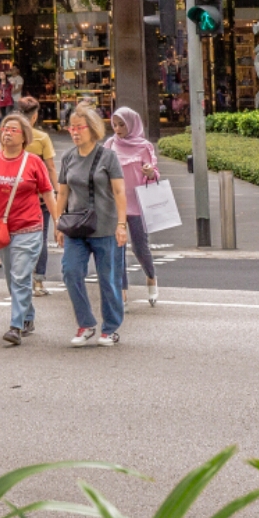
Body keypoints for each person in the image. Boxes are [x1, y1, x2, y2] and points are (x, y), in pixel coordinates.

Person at [0, 114, 54, 346]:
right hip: (2, 229)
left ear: (24, 136)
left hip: (29, 227)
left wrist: (58, 222)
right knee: (12, 278)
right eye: (4, 129)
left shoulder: (33, 162)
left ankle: (15, 326)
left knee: (19, 277)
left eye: (13, 130)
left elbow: (48, 193)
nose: (7, 132)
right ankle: (28, 316)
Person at [53, 104, 127, 347]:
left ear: (92, 129)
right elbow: (62, 193)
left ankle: (111, 328)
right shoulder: (68, 157)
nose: (74, 132)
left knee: (109, 279)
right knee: (70, 271)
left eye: (79, 128)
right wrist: (57, 222)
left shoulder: (108, 156)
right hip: (76, 227)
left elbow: (119, 191)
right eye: (71, 128)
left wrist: (121, 224)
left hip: (105, 226)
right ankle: (86, 323)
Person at [109, 107, 162, 308]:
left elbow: (155, 175)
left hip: (138, 204)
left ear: (132, 124)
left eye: (122, 124)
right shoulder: (110, 144)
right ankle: (122, 293)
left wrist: (149, 172)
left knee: (141, 248)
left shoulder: (144, 146)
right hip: (116, 205)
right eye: (114, 124)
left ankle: (151, 277)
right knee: (117, 251)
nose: (118, 128)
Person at [16, 97, 58, 296]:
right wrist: (56, 192)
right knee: (40, 238)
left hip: (16, 196)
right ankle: (38, 282)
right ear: (34, 117)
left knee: (19, 238)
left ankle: (20, 279)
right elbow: (50, 167)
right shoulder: (41, 138)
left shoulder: (11, 135)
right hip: (40, 196)